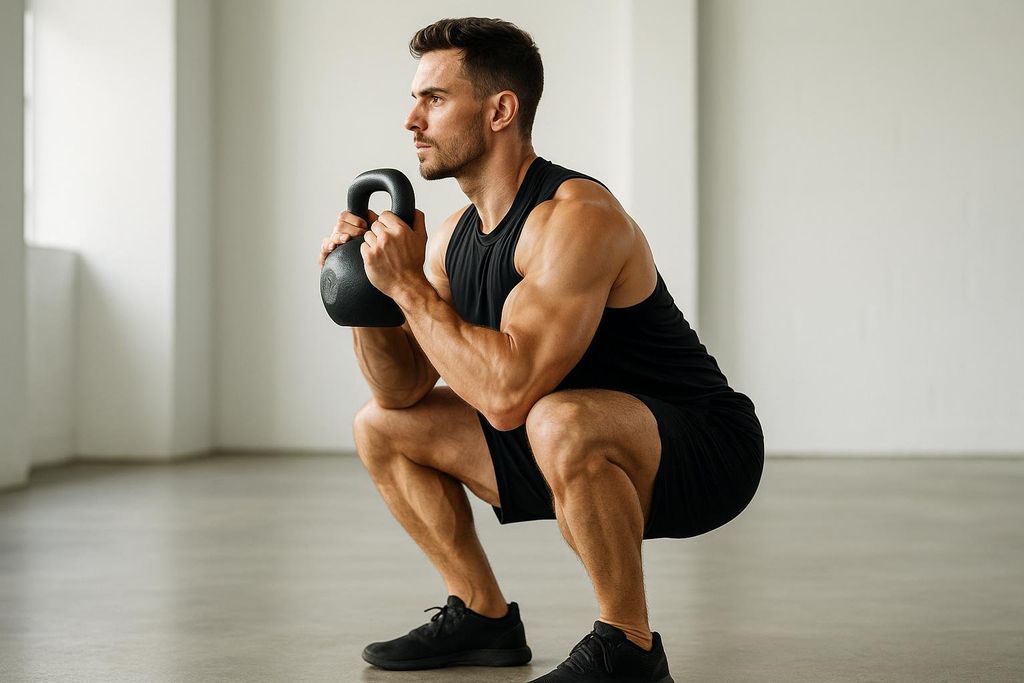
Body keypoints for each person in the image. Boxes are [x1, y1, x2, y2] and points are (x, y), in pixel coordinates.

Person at [317, 17, 764, 683]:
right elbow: (401, 390)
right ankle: (482, 616)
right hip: (557, 435)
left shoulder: (575, 217)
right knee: (380, 425)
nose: (412, 120)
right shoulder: (448, 239)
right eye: (414, 99)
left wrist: (408, 287)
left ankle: (629, 646)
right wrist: (371, 297)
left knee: (557, 416)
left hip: (699, 448)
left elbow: (506, 396)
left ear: (501, 109)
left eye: (434, 99)